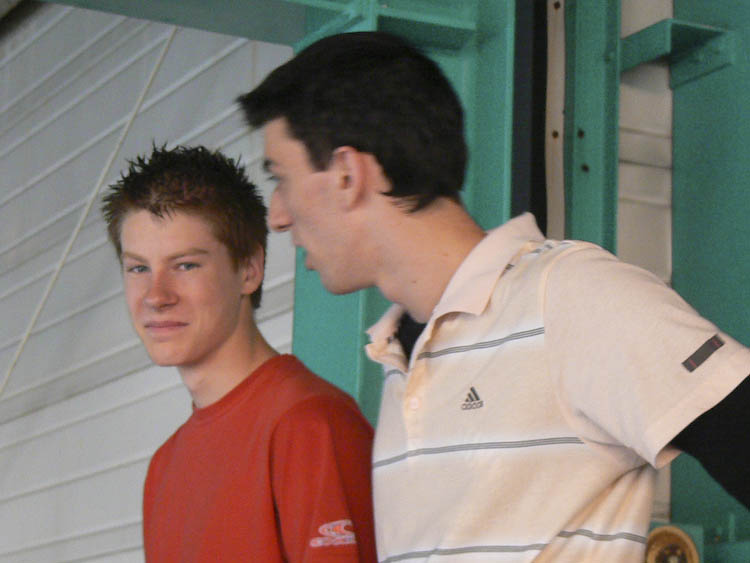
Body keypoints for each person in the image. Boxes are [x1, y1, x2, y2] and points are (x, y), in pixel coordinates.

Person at [238, 31, 750, 562]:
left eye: (282, 179)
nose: (277, 216)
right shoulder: (397, 354)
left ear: (348, 173)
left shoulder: (567, 296)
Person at [101, 144, 377, 562]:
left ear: (250, 269)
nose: (156, 296)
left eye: (186, 265)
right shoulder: (164, 467)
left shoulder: (309, 425)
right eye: (139, 268)